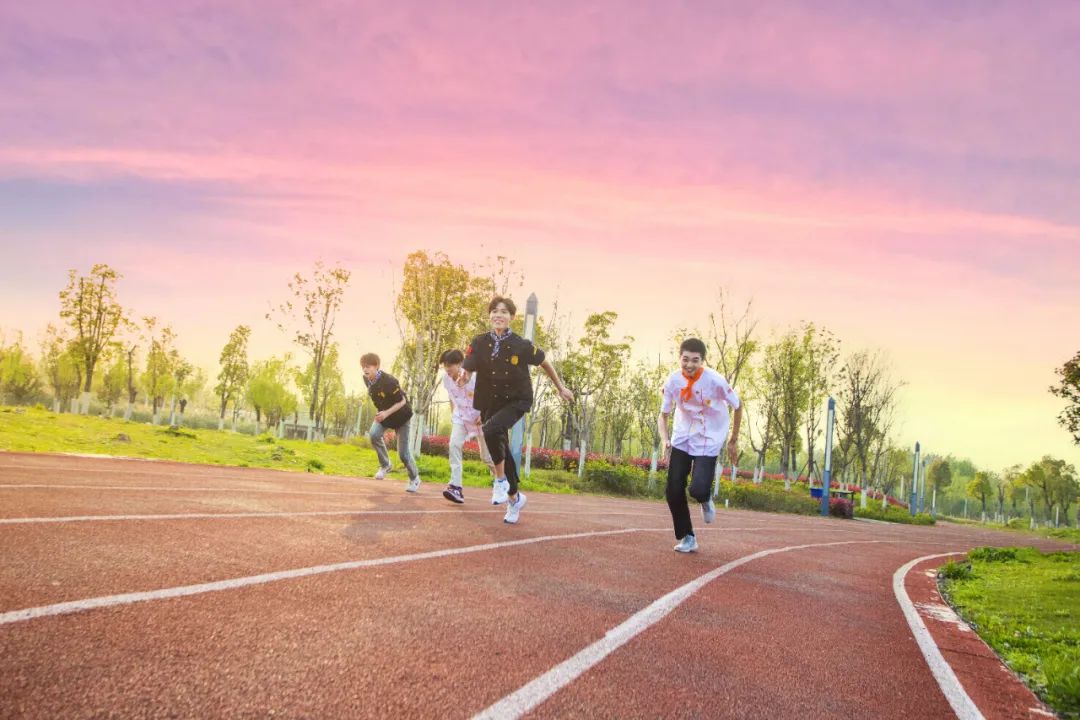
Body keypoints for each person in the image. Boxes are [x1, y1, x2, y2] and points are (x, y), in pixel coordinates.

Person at [459, 296, 574, 523]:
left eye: (504, 312)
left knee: (491, 430)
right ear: (490, 315)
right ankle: (514, 498)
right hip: (490, 401)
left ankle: (500, 482)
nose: (498, 315)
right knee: (500, 446)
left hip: (516, 400)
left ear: (512, 317)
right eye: (495, 311)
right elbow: (469, 366)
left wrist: (561, 387)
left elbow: (544, 362)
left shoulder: (521, 345)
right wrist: (465, 376)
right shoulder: (480, 342)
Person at [657, 337, 742, 553]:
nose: (689, 365)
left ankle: (705, 498)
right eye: (685, 359)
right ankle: (688, 537)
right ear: (680, 358)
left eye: (695, 360)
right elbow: (663, 415)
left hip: (709, 436)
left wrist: (733, 440)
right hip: (683, 436)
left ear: (702, 361)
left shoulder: (715, 381)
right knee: (673, 489)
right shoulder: (673, 381)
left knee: (697, 489)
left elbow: (738, 405)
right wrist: (665, 439)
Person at [439, 348, 498, 504]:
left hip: (480, 419)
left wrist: (484, 413)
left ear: (460, 364)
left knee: (486, 457)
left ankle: (502, 481)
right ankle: (456, 487)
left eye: (450, 366)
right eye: (445, 366)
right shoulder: (446, 379)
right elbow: (451, 397)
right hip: (461, 418)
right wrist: (453, 414)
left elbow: (491, 396)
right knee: (454, 445)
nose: (447, 370)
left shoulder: (475, 378)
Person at [361, 353, 421, 493]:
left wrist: (386, 413)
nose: (365, 369)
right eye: (363, 367)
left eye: (368, 366)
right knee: (374, 435)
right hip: (385, 415)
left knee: (403, 455)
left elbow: (402, 401)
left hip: (401, 417)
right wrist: (382, 413)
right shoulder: (367, 379)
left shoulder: (389, 381)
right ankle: (386, 464)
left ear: (376, 366)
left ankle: (414, 478)